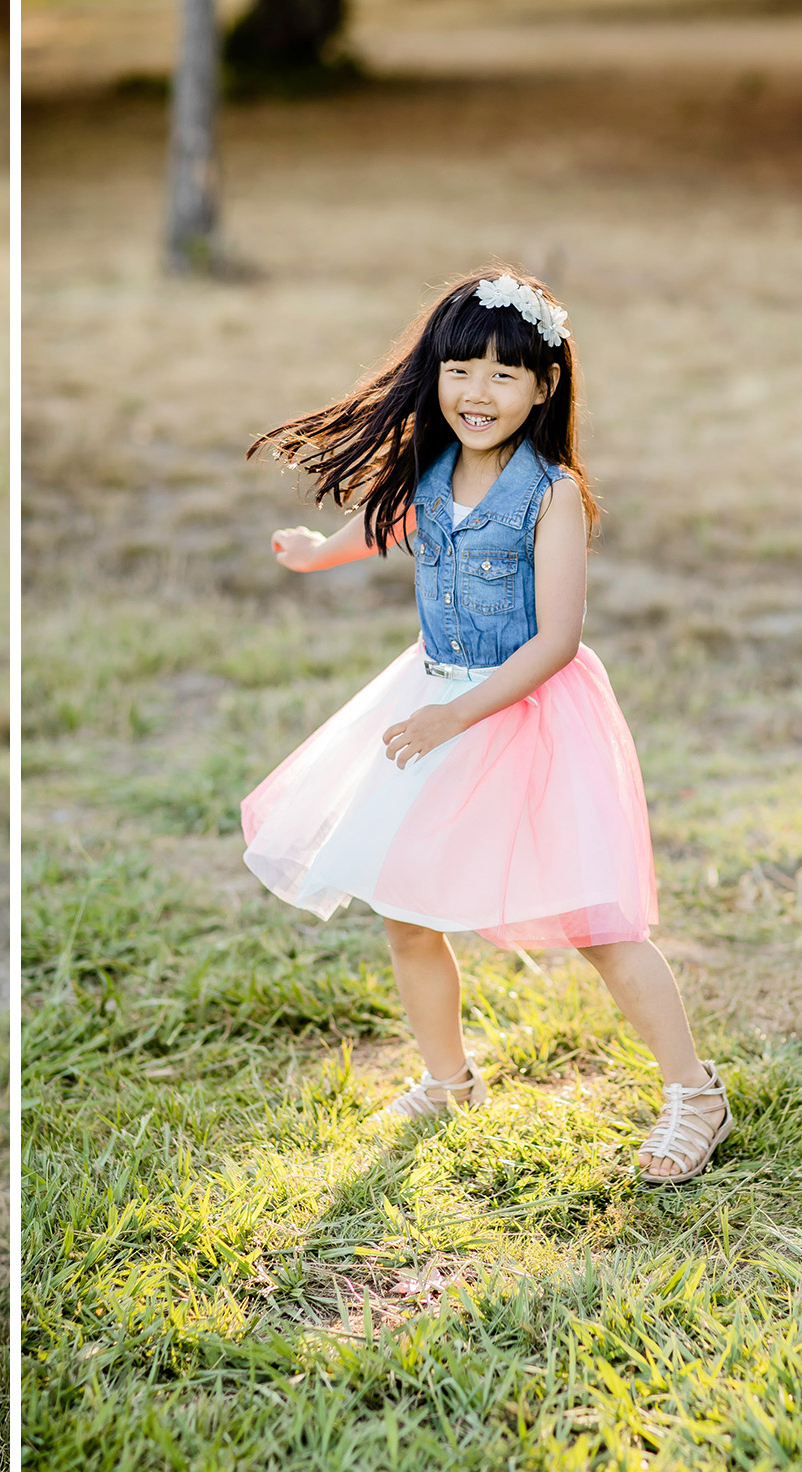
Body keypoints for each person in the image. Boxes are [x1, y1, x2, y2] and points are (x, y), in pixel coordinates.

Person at [241, 268, 729, 1183]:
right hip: (432, 702)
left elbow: (556, 640)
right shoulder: (430, 470)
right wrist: (318, 554)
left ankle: (694, 1094)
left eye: (506, 375)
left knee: (599, 921)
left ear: (546, 386)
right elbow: (392, 523)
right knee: (405, 907)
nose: (478, 391)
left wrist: (454, 715)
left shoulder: (552, 497)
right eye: (462, 368)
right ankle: (446, 1078)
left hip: (524, 715)